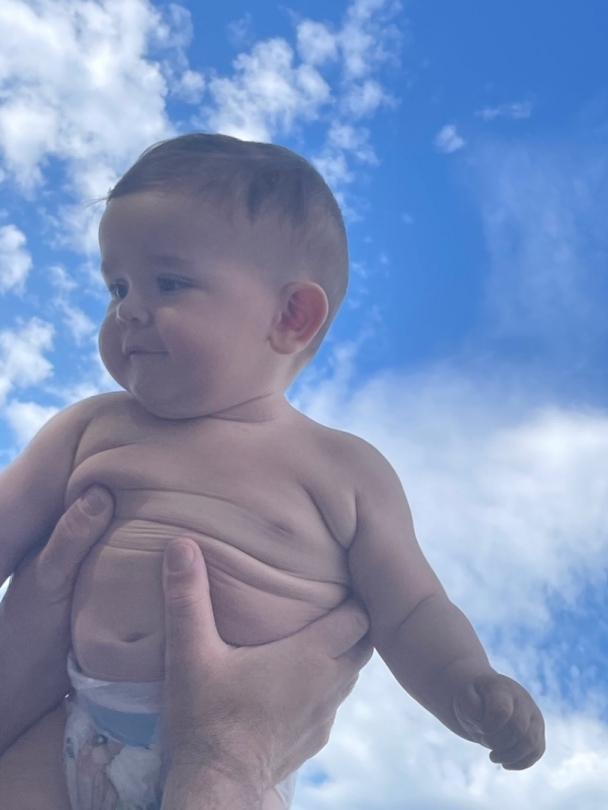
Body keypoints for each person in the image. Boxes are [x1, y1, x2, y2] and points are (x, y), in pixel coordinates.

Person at [0, 133, 545, 809]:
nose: (129, 309)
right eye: (118, 287)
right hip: (74, 727)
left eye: (168, 283)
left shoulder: (344, 470)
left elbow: (412, 609)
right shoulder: (92, 426)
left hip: (246, 764)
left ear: (291, 316)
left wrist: (467, 682)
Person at [0, 486, 372, 809]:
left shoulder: (341, 470)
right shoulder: (92, 434)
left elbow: (406, 612)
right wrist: (227, 768)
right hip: (91, 721)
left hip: (251, 745)